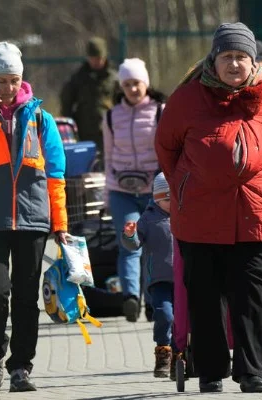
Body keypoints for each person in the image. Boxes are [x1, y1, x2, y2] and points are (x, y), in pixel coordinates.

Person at [155, 22, 262, 393]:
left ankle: (252, 372)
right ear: (213, 60)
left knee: (251, 297)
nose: (234, 64)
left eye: (241, 57)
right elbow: (167, 150)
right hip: (199, 217)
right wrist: (187, 185)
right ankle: (210, 370)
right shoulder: (186, 100)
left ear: (253, 62)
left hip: (255, 215)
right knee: (203, 295)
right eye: (227, 56)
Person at [0, 41, 68, 392]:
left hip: (32, 219)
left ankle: (21, 367)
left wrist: (60, 222)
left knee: (25, 296)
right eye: (1, 81)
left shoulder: (39, 116)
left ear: (23, 79)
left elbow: (56, 173)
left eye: (14, 80)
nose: (8, 88)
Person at [102, 57, 165, 323]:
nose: (132, 90)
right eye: (126, 84)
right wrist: (107, 193)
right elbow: (107, 155)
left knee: (155, 245)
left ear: (146, 83)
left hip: (155, 192)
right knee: (130, 243)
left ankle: (153, 301)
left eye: (136, 83)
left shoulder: (161, 111)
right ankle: (130, 297)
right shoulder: (111, 115)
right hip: (122, 192)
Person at [121, 172, 175, 378]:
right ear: (158, 198)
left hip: (184, 279)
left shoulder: (185, 214)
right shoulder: (149, 217)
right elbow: (134, 245)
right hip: (159, 280)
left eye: (175, 198)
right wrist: (130, 235)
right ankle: (163, 351)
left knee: (185, 318)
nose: (171, 203)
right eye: (167, 199)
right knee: (164, 314)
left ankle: (184, 353)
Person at [60, 36, 119, 149]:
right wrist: (70, 129)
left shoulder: (114, 79)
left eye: (99, 58)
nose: (96, 62)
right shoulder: (78, 78)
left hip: (109, 131)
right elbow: (66, 103)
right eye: (93, 58)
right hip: (83, 132)